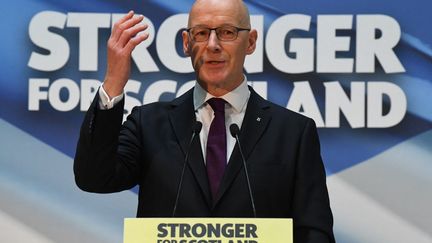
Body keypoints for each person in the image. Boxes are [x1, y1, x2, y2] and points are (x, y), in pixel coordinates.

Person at [74, 0, 335, 242]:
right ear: (187, 43)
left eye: (227, 32)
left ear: (251, 42)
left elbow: (314, 231)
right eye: (201, 33)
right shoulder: (149, 124)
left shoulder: (293, 132)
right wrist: (113, 82)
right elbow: (93, 178)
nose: (212, 44)